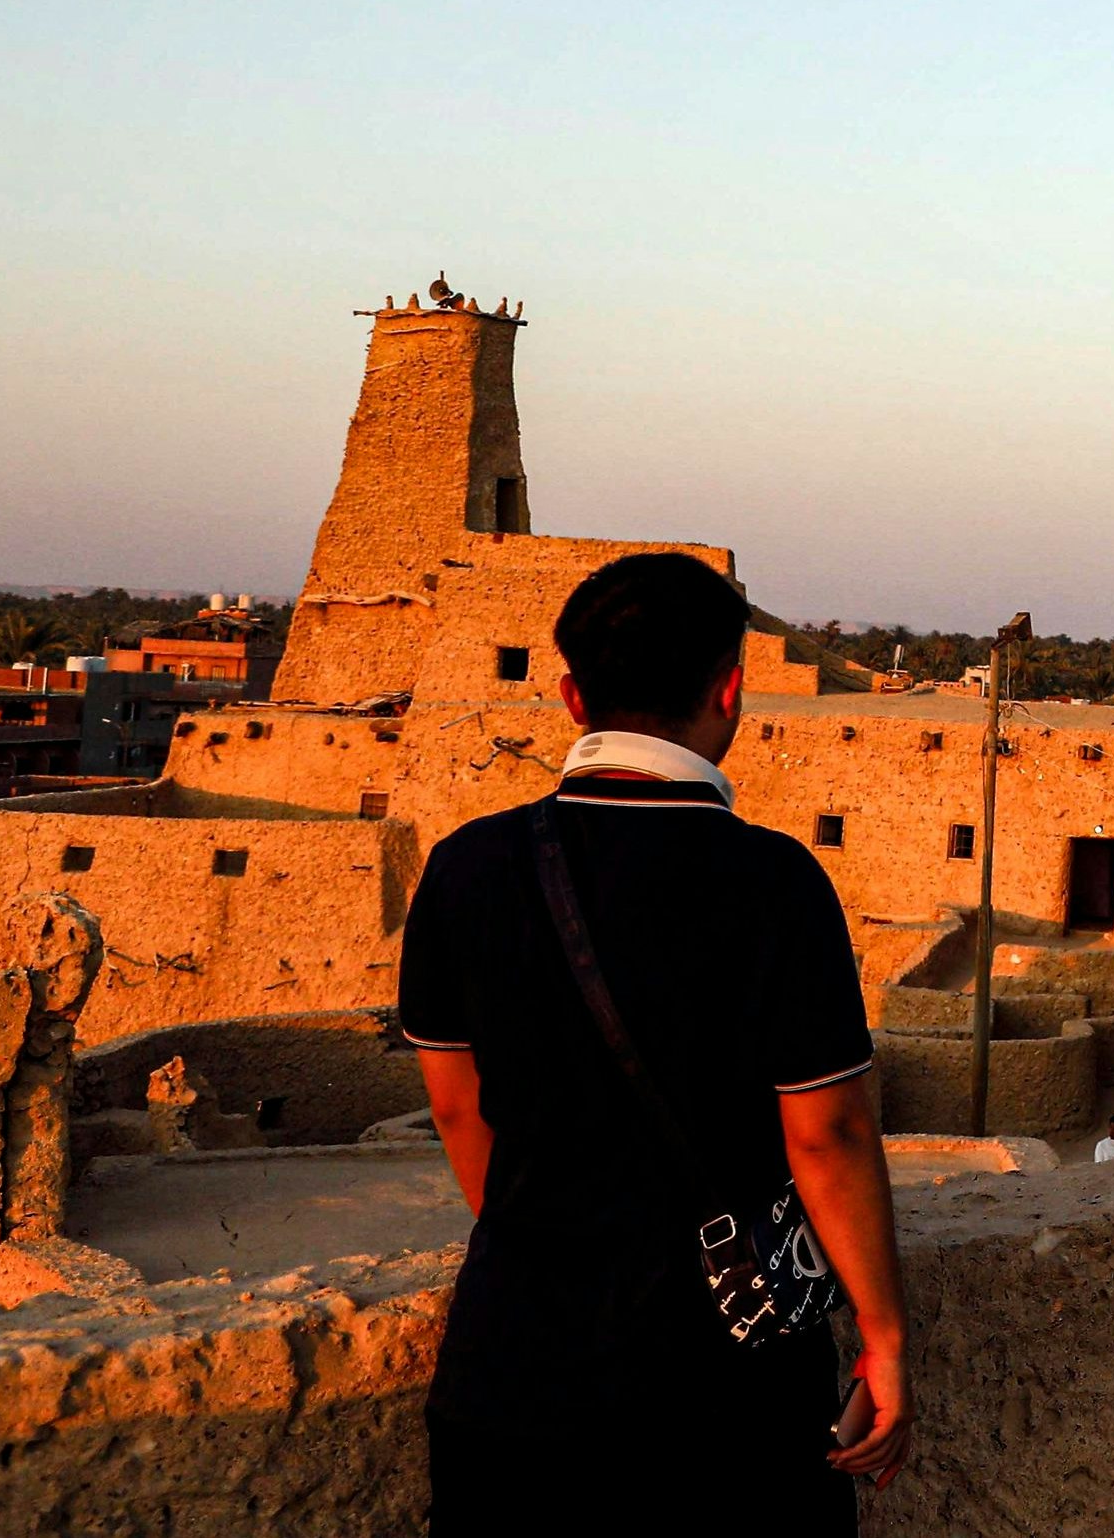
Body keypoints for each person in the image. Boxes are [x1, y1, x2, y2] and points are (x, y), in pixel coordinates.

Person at [400, 551, 911, 1532]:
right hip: (724, 1396)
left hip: (511, 1380)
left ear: (569, 696)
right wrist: (882, 1341)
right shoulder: (775, 883)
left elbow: (460, 1108)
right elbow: (826, 1137)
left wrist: (543, 1240)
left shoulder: (467, 870)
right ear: (730, 691)